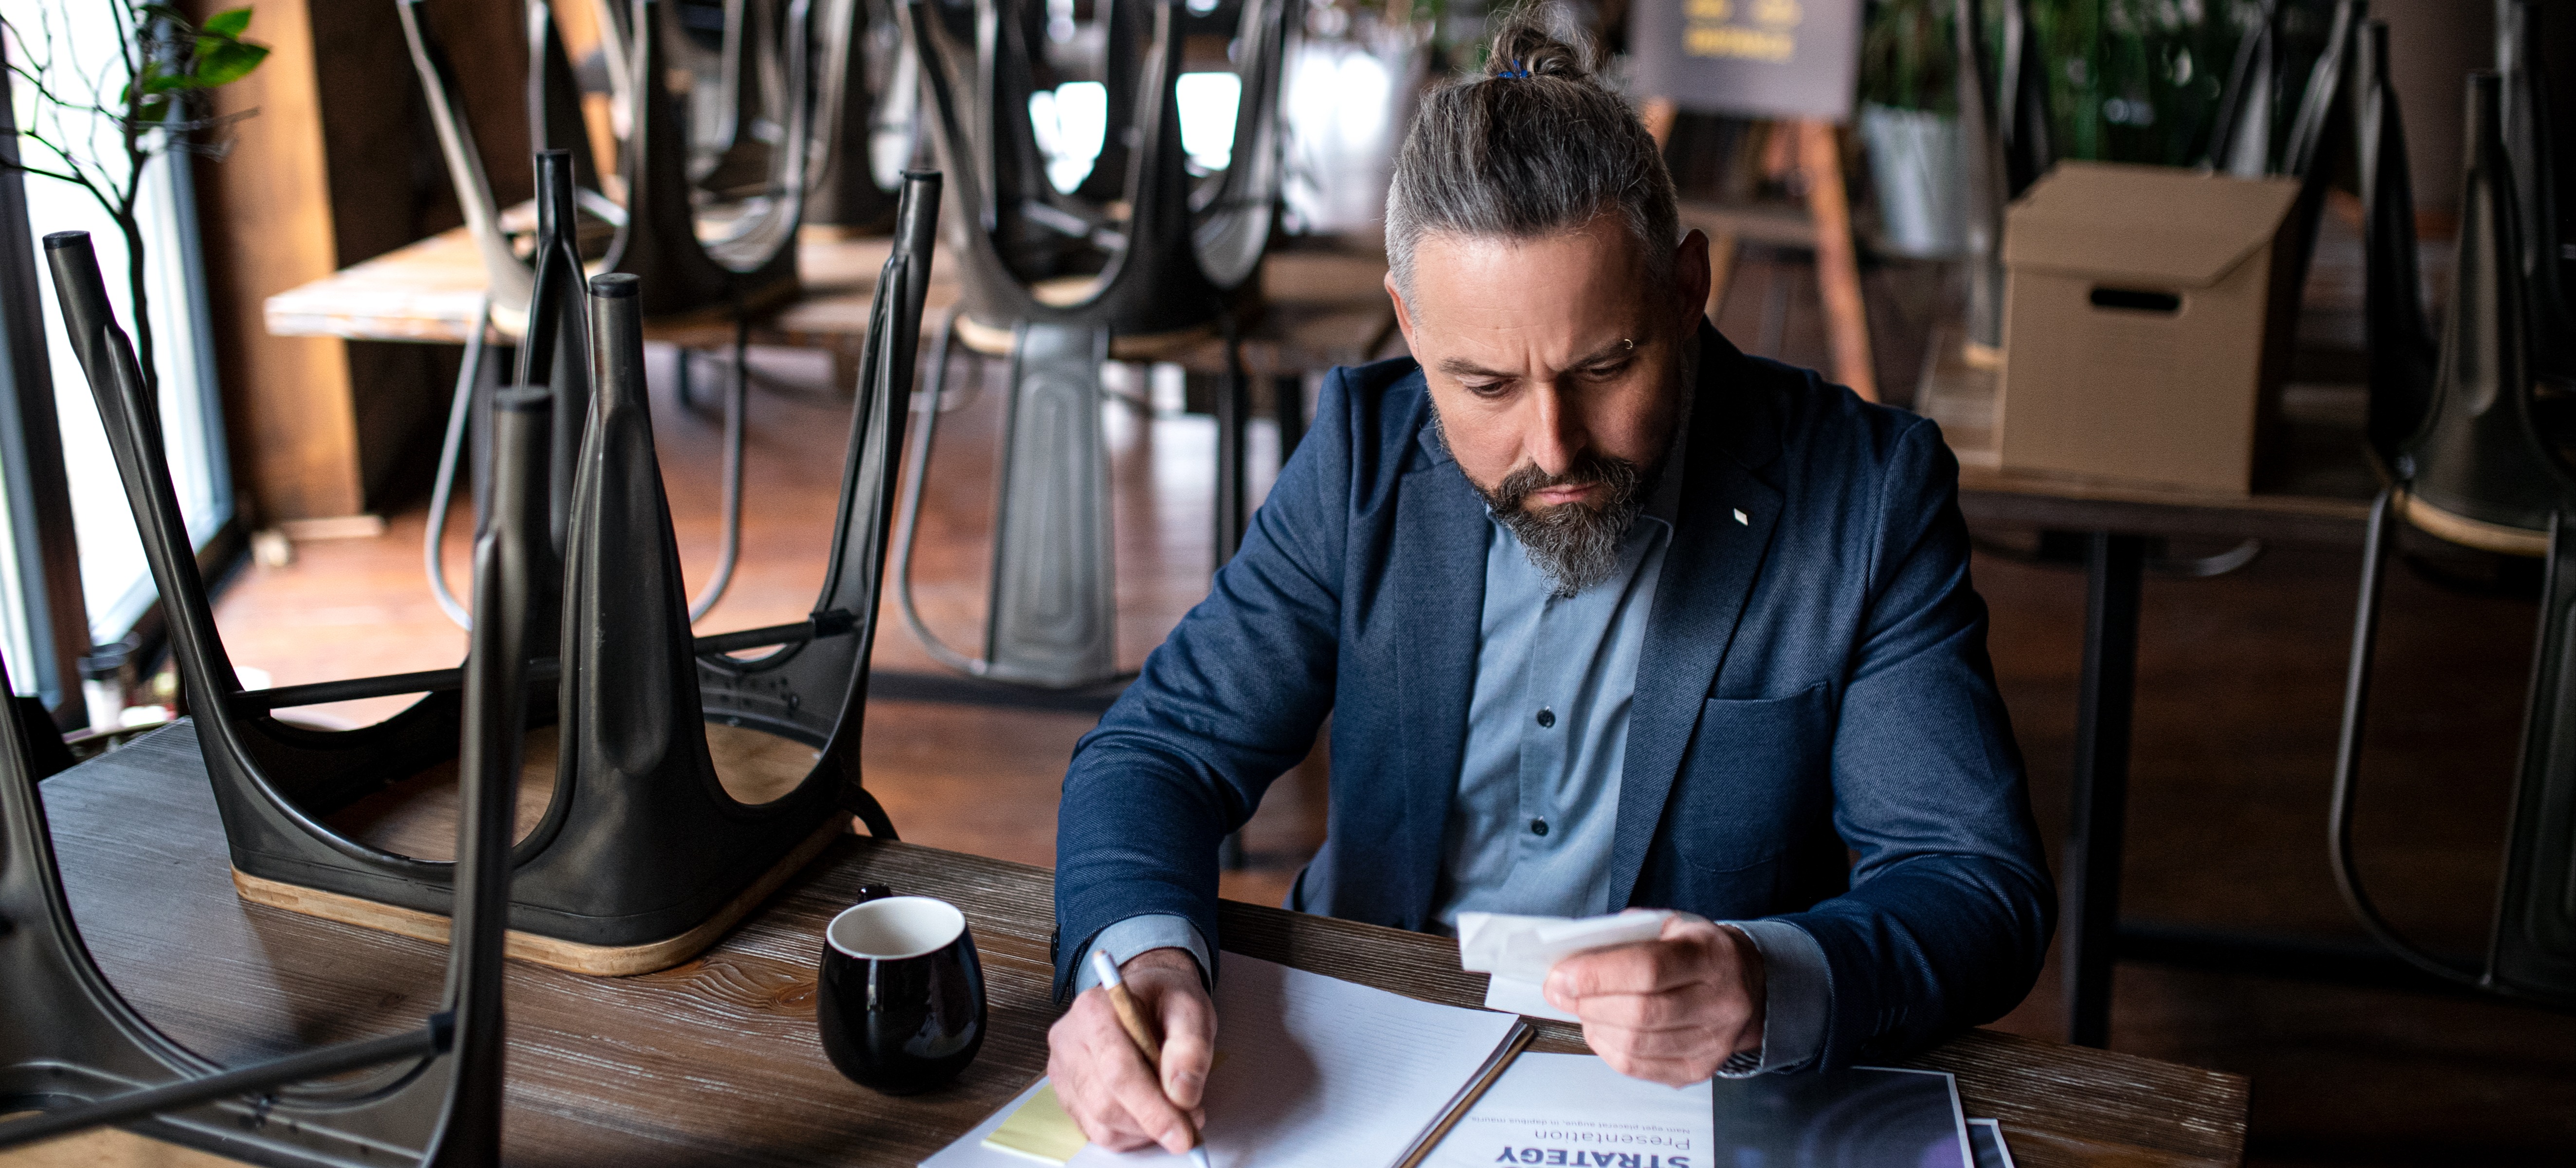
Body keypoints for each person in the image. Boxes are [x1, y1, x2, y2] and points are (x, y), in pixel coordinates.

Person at [1043, 9, 2054, 1155]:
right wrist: (1141, 961)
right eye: (1483, 385)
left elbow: (1972, 881)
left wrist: (1763, 981)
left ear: (1685, 288)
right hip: (1360, 1061)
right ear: (1409, 326)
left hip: (1677, 1099)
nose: (1553, 446)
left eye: (1603, 366)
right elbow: (1159, 752)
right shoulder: (1365, 454)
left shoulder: (1863, 494)